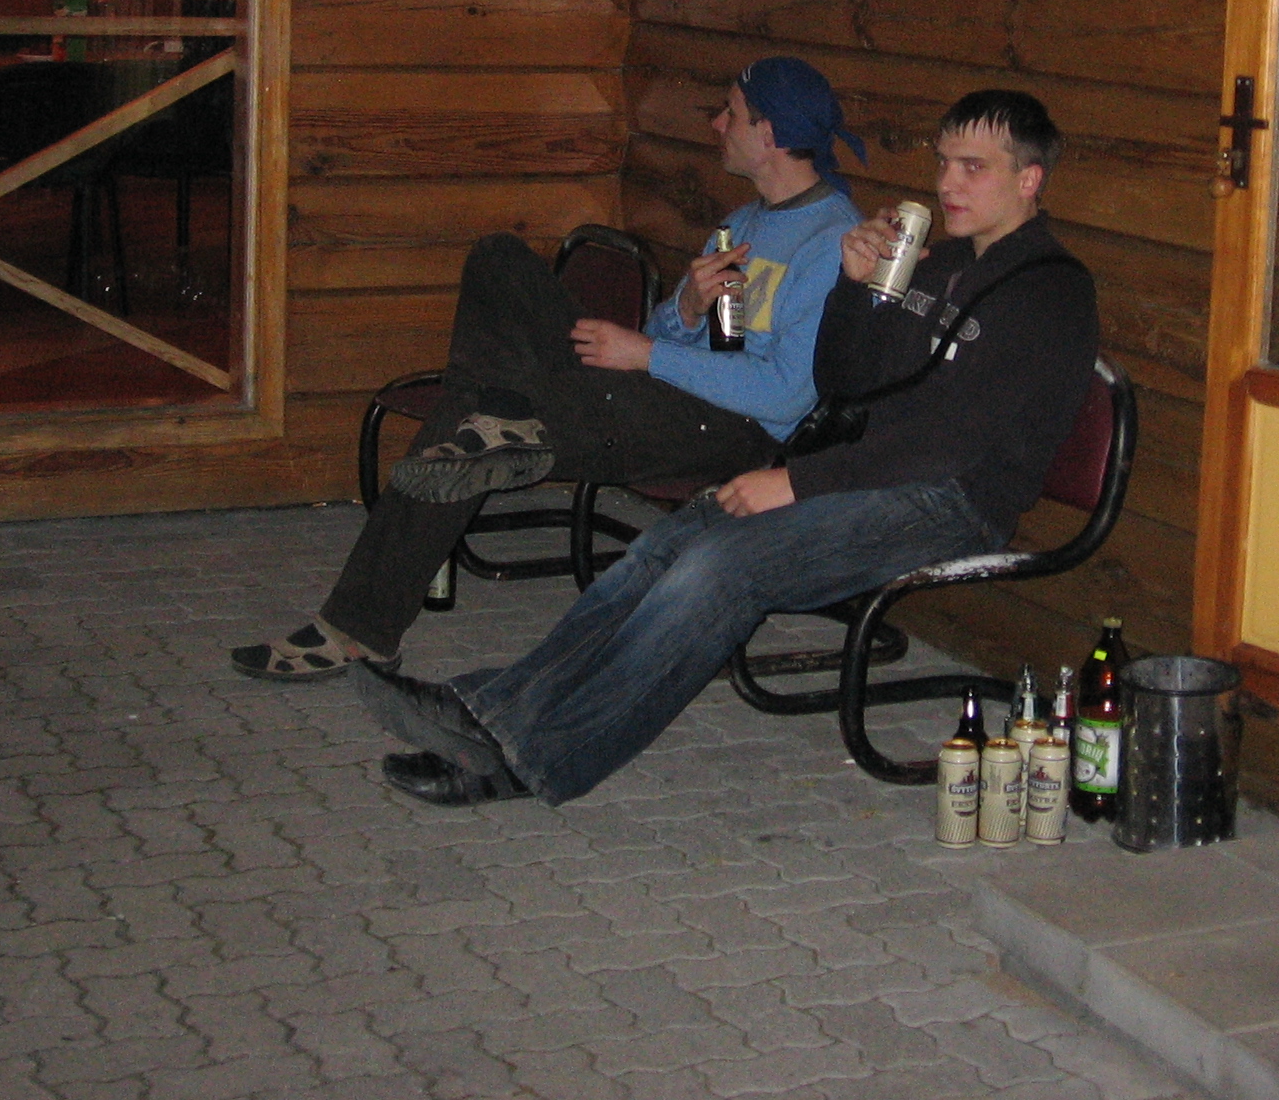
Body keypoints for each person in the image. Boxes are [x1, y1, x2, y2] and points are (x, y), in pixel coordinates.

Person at [354, 89, 1098, 807]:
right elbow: (846, 381)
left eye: (974, 167)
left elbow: (953, 443)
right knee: (668, 543)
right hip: (878, 477)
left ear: (1029, 180)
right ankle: (490, 711)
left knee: (721, 568)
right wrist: (855, 288)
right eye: (943, 162)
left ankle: (530, 758)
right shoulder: (939, 265)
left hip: (953, 503)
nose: (947, 183)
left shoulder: (1050, 293)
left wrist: (798, 482)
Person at [230, 57, 866, 681]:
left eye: (731, 112)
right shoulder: (741, 223)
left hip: (734, 433)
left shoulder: (832, 244)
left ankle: (358, 628)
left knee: (463, 415)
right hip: (666, 393)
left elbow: (784, 397)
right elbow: (664, 339)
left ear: (769, 134)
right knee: (500, 261)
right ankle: (499, 416)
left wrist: (648, 356)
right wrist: (688, 310)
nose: (717, 124)